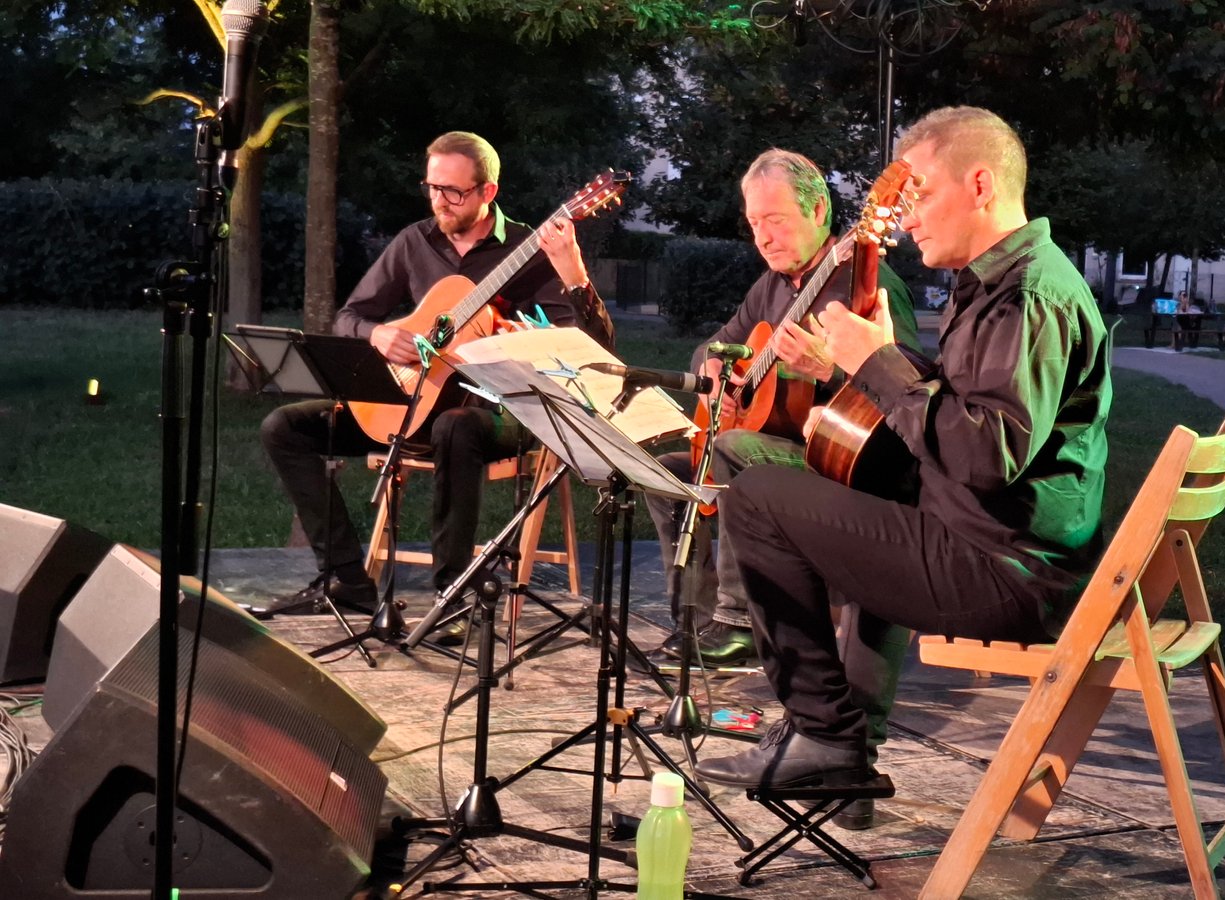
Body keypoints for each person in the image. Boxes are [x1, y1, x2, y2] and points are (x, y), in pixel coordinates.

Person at [695, 107, 1112, 792]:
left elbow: (985, 456)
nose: (910, 216)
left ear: (980, 185)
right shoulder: (1000, 285)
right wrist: (886, 364)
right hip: (987, 540)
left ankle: (827, 735)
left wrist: (880, 363)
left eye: (921, 194)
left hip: (1001, 569)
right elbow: (969, 413)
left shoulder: (1029, 296)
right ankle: (840, 737)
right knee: (842, 479)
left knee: (759, 500)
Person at [255, 131, 614, 618]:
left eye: (454, 191)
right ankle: (345, 580)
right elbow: (349, 317)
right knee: (285, 427)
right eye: (432, 188)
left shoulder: (533, 250)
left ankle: (453, 593)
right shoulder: (413, 241)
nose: (440, 201)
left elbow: (593, 347)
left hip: (498, 413)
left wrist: (571, 275)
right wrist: (378, 334)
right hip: (408, 401)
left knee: (455, 426)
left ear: (488, 193)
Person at [642, 149, 921, 669]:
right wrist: (719, 378)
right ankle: (694, 621)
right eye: (753, 223)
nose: (763, 237)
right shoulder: (771, 285)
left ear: (818, 213)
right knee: (666, 472)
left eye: (775, 220)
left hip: (842, 466)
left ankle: (739, 621)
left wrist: (832, 371)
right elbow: (712, 350)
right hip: (775, 447)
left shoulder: (868, 285)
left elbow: (906, 395)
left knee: (731, 446)